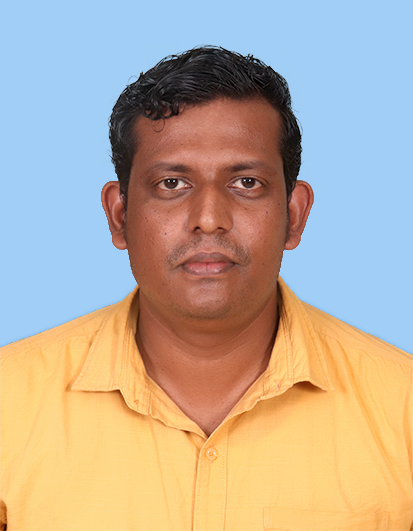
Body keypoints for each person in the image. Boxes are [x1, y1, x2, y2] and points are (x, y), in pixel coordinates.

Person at [1, 46, 412, 531]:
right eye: (172, 183)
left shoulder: (401, 406)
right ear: (119, 215)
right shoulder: (10, 401)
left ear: (294, 215)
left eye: (246, 182)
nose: (210, 219)